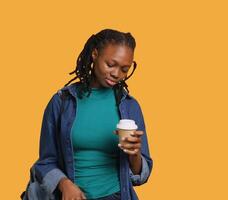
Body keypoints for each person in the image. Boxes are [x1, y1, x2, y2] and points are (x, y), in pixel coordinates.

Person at [34, 29, 153, 200]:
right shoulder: (62, 102)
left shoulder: (130, 106)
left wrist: (134, 154)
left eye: (124, 69)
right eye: (111, 64)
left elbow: (140, 175)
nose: (116, 74)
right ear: (95, 54)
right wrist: (64, 184)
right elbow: (45, 162)